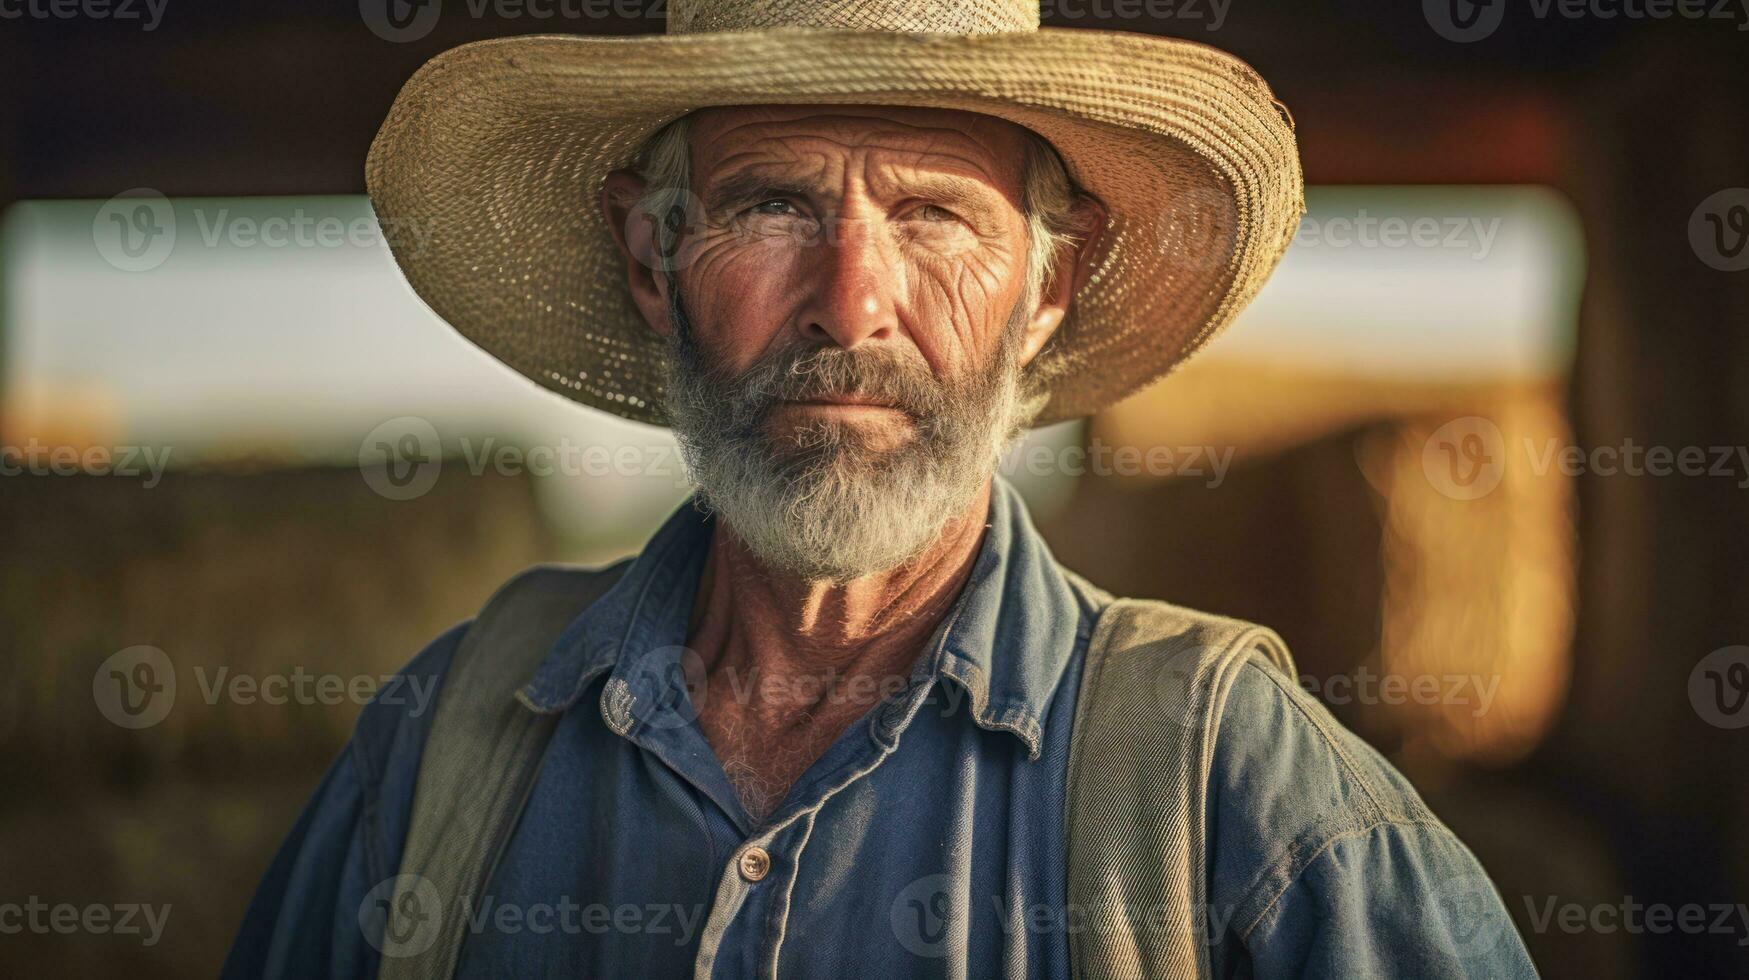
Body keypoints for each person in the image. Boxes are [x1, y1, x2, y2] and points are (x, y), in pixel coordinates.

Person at [226, 1, 1538, 975]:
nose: (850, 306)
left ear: (1046, 291)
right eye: (773, 209)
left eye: (931, 217)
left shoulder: (1221, 781)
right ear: (651, 258)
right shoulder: (447, 740)